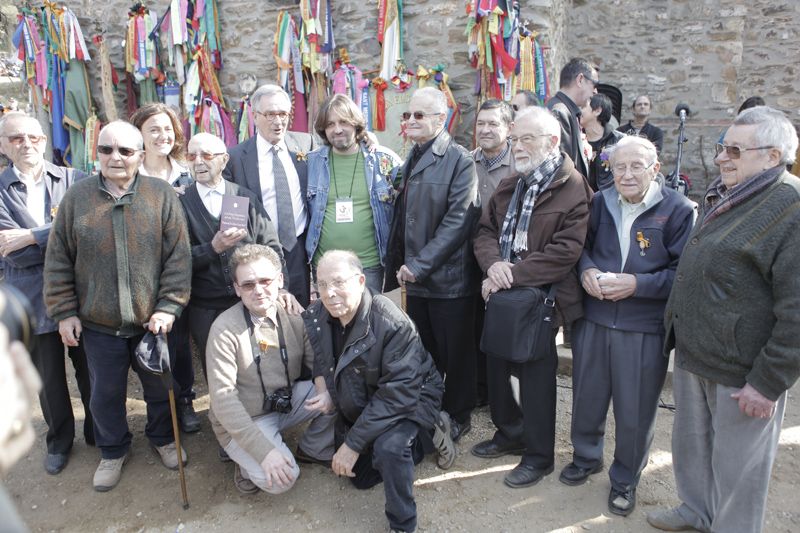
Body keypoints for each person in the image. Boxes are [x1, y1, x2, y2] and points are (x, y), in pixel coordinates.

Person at [647, 106, 800, 533]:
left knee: (739, 469)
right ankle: (697, 511)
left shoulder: (791, 206)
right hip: (697, 353)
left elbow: (797, 311)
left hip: (743, 371)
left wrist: (768, 382)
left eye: (734, 149)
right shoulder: (730, 193)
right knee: (692, 448)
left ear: (772, 156)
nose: (720, 157)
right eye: (721, 146)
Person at [44, 120, 192, 492]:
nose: (116, 157)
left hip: (151, 322)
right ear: (97, 153)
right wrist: (64, 311)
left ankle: (162, 438)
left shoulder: (161, 195)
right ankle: (112, 450)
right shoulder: (77, 198)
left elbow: (179, 258)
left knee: (160, 388)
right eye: (106, 149)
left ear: (141, 155)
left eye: (126, 150)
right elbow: (58, 258)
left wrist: (169, 306)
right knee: (104, 394)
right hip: (99, 324)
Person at [563, 136, 695, 516]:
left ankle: (625, 478)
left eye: (637, 166)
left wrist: (638, 285)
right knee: (587, 394)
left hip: (643, 325)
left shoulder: (678, 210)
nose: (627, 174)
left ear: (655, 169)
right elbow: (579, 247)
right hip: (595, 316)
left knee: (635, 407)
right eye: (620, 167)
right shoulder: (599, 201)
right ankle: (587, 457)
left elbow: (682, 274)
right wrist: (586, 269)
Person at [471, 106, 591, 489]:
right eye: (515, 138)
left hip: (542, 300)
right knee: (497, 368)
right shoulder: (511, 183)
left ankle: (538, 457)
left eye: (527, 139)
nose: (517, 146)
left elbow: (565, 251)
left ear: (552, 142)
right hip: (502, 295)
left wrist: (511, 275)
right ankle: (510, 434)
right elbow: (485, 232)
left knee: (536, 378)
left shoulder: (574, 188)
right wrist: (493, 266)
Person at [303, 249, 455, 533]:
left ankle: (402, 523)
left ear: (361, 281)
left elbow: (397, 395)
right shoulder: (318, 314)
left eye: (338, 282)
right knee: (360, 478)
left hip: (413, 395)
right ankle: (423, 438)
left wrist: (353, 444)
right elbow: (322, 358)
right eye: (321, 284)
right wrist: (324, 388)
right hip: (366, 392)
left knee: (389, 448)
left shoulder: (392, 323)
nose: (329, 292)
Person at [385, 86, 482, 442]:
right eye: (408, 115)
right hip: (416, 278)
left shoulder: (459, 160)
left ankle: (459, 415)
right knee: (422, 350)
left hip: (448, 280)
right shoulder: (412, 155)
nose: (410, 120)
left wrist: (421, 264)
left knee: (455, 354)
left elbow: (460, 219)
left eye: (419, 115)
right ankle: (428, 406)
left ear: (442, 119)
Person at [0, 113, 93, 475]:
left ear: (44, 140)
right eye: (16, 138)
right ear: (4, 145)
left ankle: (99, 432)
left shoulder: (74, 180)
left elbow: (83, 230)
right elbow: (12, 251)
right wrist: (52, 235)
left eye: (34, 137)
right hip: (30, 300)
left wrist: (29, 235)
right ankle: (59, 440)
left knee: (90, 370)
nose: (27, 144)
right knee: (48, 378)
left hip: (80, 294)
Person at [205, 244, 335, 494]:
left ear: (280, 280)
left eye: (265, 280)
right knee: (283, 480)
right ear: (236, 289)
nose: (259, 290)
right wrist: (264, 453)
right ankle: (245, 459)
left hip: (284, 402)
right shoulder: (224, 330)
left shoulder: (294, 314)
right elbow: (223, 402)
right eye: (248, 284)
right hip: (247, 417)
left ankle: (312, 448)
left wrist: (324, 391)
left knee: (338, 389)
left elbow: (317, 362)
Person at [178, 132, 296, 379]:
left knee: (260, 363)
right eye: (192, 155)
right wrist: (212, 249)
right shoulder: (181, 203)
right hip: (206, 307)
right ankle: (223, 416)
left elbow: (270, 245)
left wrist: (280, 287)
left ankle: (264, 413)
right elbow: (175, 261)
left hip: (250, 300)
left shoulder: (243, 197)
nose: (198, 161)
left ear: (223, 160)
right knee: (218, 371)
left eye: (207, 155)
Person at [131, 103, 198, 433]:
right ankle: (160, 408)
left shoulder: (188, 171)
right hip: (143, 276)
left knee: (181, 344)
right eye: (153, 129)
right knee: (154, 344)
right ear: (139, 135)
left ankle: (184, 400)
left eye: (168, 129)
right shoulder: (128, 174)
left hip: (185, 272)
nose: (162, 136)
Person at [223, 84, 316, 306]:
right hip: (258, 249)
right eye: (270, 114)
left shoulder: (306, 144)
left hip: (298, 247)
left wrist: (366, 139)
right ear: (255, 117)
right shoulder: (236, 158)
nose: (278, 121)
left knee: (300, 313)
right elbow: (232, 214)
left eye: (283, 114)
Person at [305, 94, 402, 295]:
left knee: (366, 324)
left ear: (357, 125)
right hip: (324, 266)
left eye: (343, 122)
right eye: (330, 124)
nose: (337, 129)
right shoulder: (310, 163)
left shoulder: (382, 160)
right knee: (329, 324)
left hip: (369, 266)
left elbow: (410, 201)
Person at [472, 99, 516, 407]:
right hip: (470, 259)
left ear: (510, 129)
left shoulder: (519, 166)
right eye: (481, 123)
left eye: (493, 124)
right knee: (473, 327)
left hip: (508, 263)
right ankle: (480, 391)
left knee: (503, 333)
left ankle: (507, 401)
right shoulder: (464, 162)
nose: (485, 130)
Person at [545, 57, 599, 179]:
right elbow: (562, 168)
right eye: (594, 84)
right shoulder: (559, 112)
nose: (595, 91)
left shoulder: (566, 110)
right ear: (580, 80)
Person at [580, 94, 626, 191]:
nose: (578, 111)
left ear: (597, 111)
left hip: (608, 200)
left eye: (583, 107)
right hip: (582, 200)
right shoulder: (576, 139)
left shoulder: (619, 141)